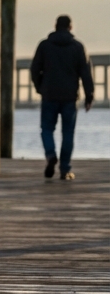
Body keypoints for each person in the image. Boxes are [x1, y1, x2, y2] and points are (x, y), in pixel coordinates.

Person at [30, 15, 94, 180]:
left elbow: (34, 69)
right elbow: (86, 74)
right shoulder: (78, 47)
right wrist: (89, 95)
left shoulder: (44, 46)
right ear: (70, 27)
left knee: (46, 129)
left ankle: (51, 155)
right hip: (70, 97)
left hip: (49, 94)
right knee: (68, 133)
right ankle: (65, 170)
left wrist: (40, 87)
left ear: (55, 26)